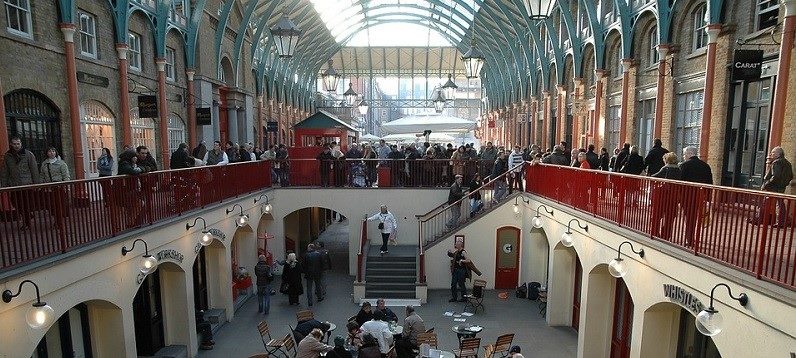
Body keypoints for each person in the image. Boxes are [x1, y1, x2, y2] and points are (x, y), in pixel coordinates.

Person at [1, 137, 41, 230]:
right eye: (14, 144)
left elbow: (34, 169)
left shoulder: (28, 154)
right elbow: (5, 171)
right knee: (16, 203)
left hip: (27, 183)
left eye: (18, 144)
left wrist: (37, 183)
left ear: (21, 144)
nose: (16, 146)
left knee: (26, 204)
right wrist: (4, 184)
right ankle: (28, 216)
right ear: (11, 144)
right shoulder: (8, 155)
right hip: (14, 184)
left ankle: (26, 223)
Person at [680, 146, 713, 245]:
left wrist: (679, 197)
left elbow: (679, 182)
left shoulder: (684, 165)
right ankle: (693, 237)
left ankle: (689, 239)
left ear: (690, 154)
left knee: (689, 218)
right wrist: (708, 198)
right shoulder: (705, 166)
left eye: (685, 154)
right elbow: (709, 183)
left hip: (687, 196)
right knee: (697, 217)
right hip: (700, 195)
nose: (684, 156)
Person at [758, 146, 793, 227]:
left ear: (778, 154)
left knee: (764, 203)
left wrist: (766, 184)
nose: (771, 154)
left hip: (772, 187)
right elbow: (790, 176)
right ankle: (781, 222)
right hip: (781, 187)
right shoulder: (788, 163)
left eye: (773, 152)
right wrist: (784, 183)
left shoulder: (776, 162)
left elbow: (775, 176)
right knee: (780, 204)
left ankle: (759, 220)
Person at [651, 153, 682, 240]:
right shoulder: (679, 170)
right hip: (674, 196)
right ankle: (666, 234)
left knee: (658, 215)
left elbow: (655, 176)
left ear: (667, 160)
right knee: (670, 217)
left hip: (664, 196)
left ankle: (655, 232)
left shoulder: (666, 168)